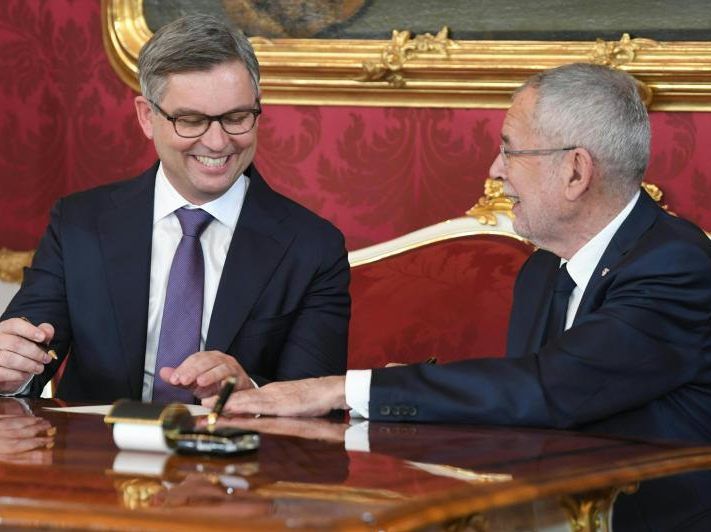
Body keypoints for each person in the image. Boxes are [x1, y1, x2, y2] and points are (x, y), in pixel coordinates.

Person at [212, 63, 711, 446]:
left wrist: (340, 389)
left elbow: (549, 390)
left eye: (510, 151)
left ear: (576, 172)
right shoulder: (541, 271)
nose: (495, 171)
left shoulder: (676, 266)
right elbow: (519, 410)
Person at [0, 14, 350, 403]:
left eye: (236, 118)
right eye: (191, 120)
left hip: (239, 458)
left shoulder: (312, 247)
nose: (217, 142)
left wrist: (247, 389)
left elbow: (320, 403)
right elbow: (25, 354)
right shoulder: (79, 224)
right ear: (147, 118)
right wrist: (9, 369)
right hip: (97, 455)